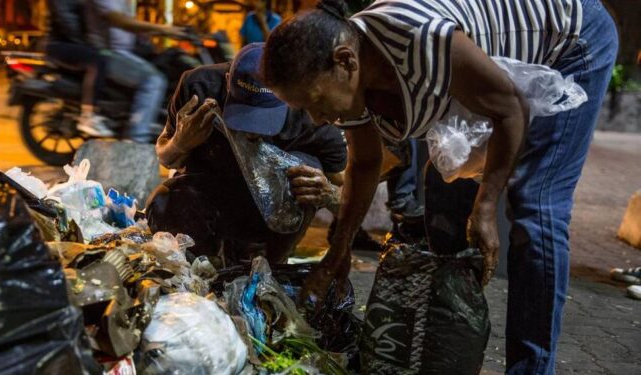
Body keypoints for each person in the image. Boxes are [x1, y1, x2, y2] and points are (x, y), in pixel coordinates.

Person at [261, 0, 618, 373]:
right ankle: (447, 352)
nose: (317, 118)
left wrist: (486, 206)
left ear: (346, 61)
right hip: (493, 79)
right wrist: (339, 250)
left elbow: (510, 110)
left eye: (316, 101)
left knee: (535, 205)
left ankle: (531, 367)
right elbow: (365, 163)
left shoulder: (419, 38)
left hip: (571, 40)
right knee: (443, 196)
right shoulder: (352, 78)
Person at [147, 43, 347, 264]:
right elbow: (165, 157)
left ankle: (271, 263)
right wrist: (179, 143)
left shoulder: (311, 112)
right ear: (227, 81)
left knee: (307, 171)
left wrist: (329, 194)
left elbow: (346, 192)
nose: (252, 130)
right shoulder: (199, 87)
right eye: (244, 114)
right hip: (210, 194)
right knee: (163, 201)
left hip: (272, 214)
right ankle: (202, 264)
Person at [84, 0, 186, 142]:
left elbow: (130, 26)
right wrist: (164, 30)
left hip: (127, 53)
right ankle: (136, 139)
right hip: (110, 54)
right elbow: (121, 22)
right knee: (154, 80)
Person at [45, 0, 108, 135]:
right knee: (96, 62)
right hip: (60, 44)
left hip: (71, 42)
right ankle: (87, 116)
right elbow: (67, 22)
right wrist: (86, 44)